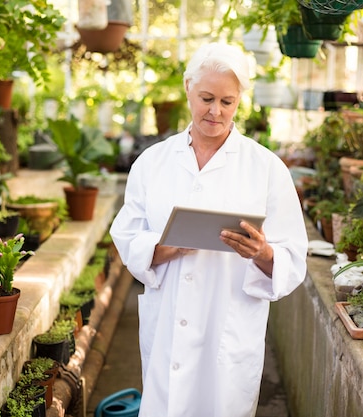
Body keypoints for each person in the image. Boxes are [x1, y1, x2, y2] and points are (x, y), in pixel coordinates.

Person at [109, 42, 308, 417]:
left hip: (228, 331)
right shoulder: (152, 163)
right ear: (188, 88)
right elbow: (128, 235)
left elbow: (294, 257)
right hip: (168, 325)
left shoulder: (266, 168)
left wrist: (263, 253)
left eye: (227, 102)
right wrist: (168, 245)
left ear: (239, 102)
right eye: (206, 98)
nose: (215, 111)